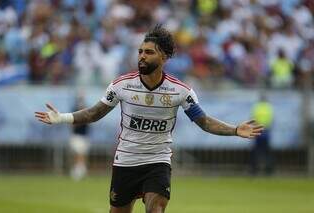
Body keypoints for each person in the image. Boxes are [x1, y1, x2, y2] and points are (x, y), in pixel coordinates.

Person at [35, 25, 263, 213]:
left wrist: (235, 130)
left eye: (148, 52)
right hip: (126, 161)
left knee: (156, 210)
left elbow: (204, 121)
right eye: (140, 52)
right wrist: (62, 118)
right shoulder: (122, 85)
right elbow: (95, 113)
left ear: (163, 56)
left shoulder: (180, 91)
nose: (142, 56)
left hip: (158, 161)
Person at [250, 93, 274, 175]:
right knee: (267, 152)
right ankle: (269, 170)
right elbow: (271, 120)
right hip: (266, 131)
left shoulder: (256, 107)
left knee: (256, 151)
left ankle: (254, 170)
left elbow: (253, 119)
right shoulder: (269, 107)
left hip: (258, 131)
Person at [69, 91, 90, 181]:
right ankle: (77, 171)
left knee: (82, 155)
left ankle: (81, 171)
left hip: (84, 135)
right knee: (78, 154)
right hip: (77, 135)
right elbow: (72, 123)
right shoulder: (75, 109)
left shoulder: (86, 109)